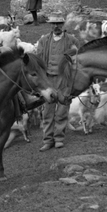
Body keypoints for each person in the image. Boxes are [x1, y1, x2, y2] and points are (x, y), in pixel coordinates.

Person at [36, 18, 76, 151]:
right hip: (48, 80)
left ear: (63, 25)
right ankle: (48, 140)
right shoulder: (44, 40)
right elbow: (39, 61)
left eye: (58, 23)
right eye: (53, 24)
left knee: (62, 110)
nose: (56, 26)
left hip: (64, 80)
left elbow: (77, 60)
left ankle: (59, 138)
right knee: (48, 111)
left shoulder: (71, 40)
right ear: (50, 25)